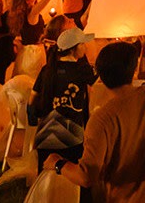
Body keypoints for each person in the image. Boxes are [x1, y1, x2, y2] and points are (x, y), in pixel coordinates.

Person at [62, 39, 145, 203]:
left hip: (135, 198)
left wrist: (58, 164)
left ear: (100, 75)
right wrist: (143, 52)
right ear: (133, 69)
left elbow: (87, 177)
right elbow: (144, 79)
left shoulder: (101, 120)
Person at [32, 27, 98, 167]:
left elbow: (32, 98)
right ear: (74, 48)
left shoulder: (47, 70)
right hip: (71, 138)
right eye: (82, 44)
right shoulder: (83, 70)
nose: (85, 47)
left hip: (44, 135)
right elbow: (97, 90)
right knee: (69, 180)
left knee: (46, 179)